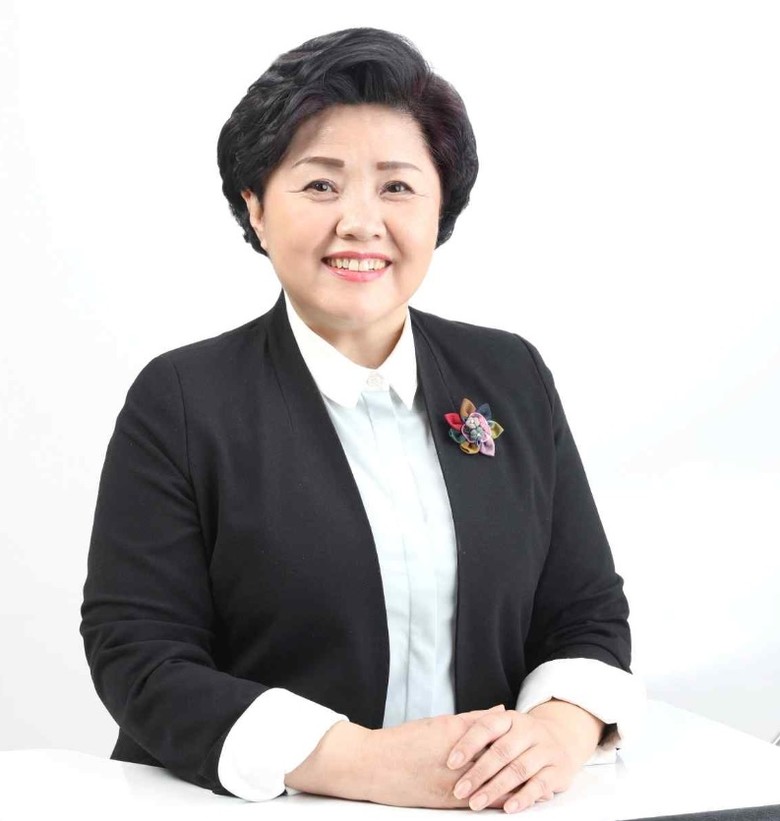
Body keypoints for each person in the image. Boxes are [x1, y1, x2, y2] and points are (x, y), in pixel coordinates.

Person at [80, 26, 644, 814]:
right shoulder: (180, 398)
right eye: (320, 185)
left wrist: (558, 728)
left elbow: (586, 610)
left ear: (440, 208)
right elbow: (137, 652)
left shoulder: (510, 375)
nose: (360, 221)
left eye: (397, 187)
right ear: (255, 206)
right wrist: (360, 762)